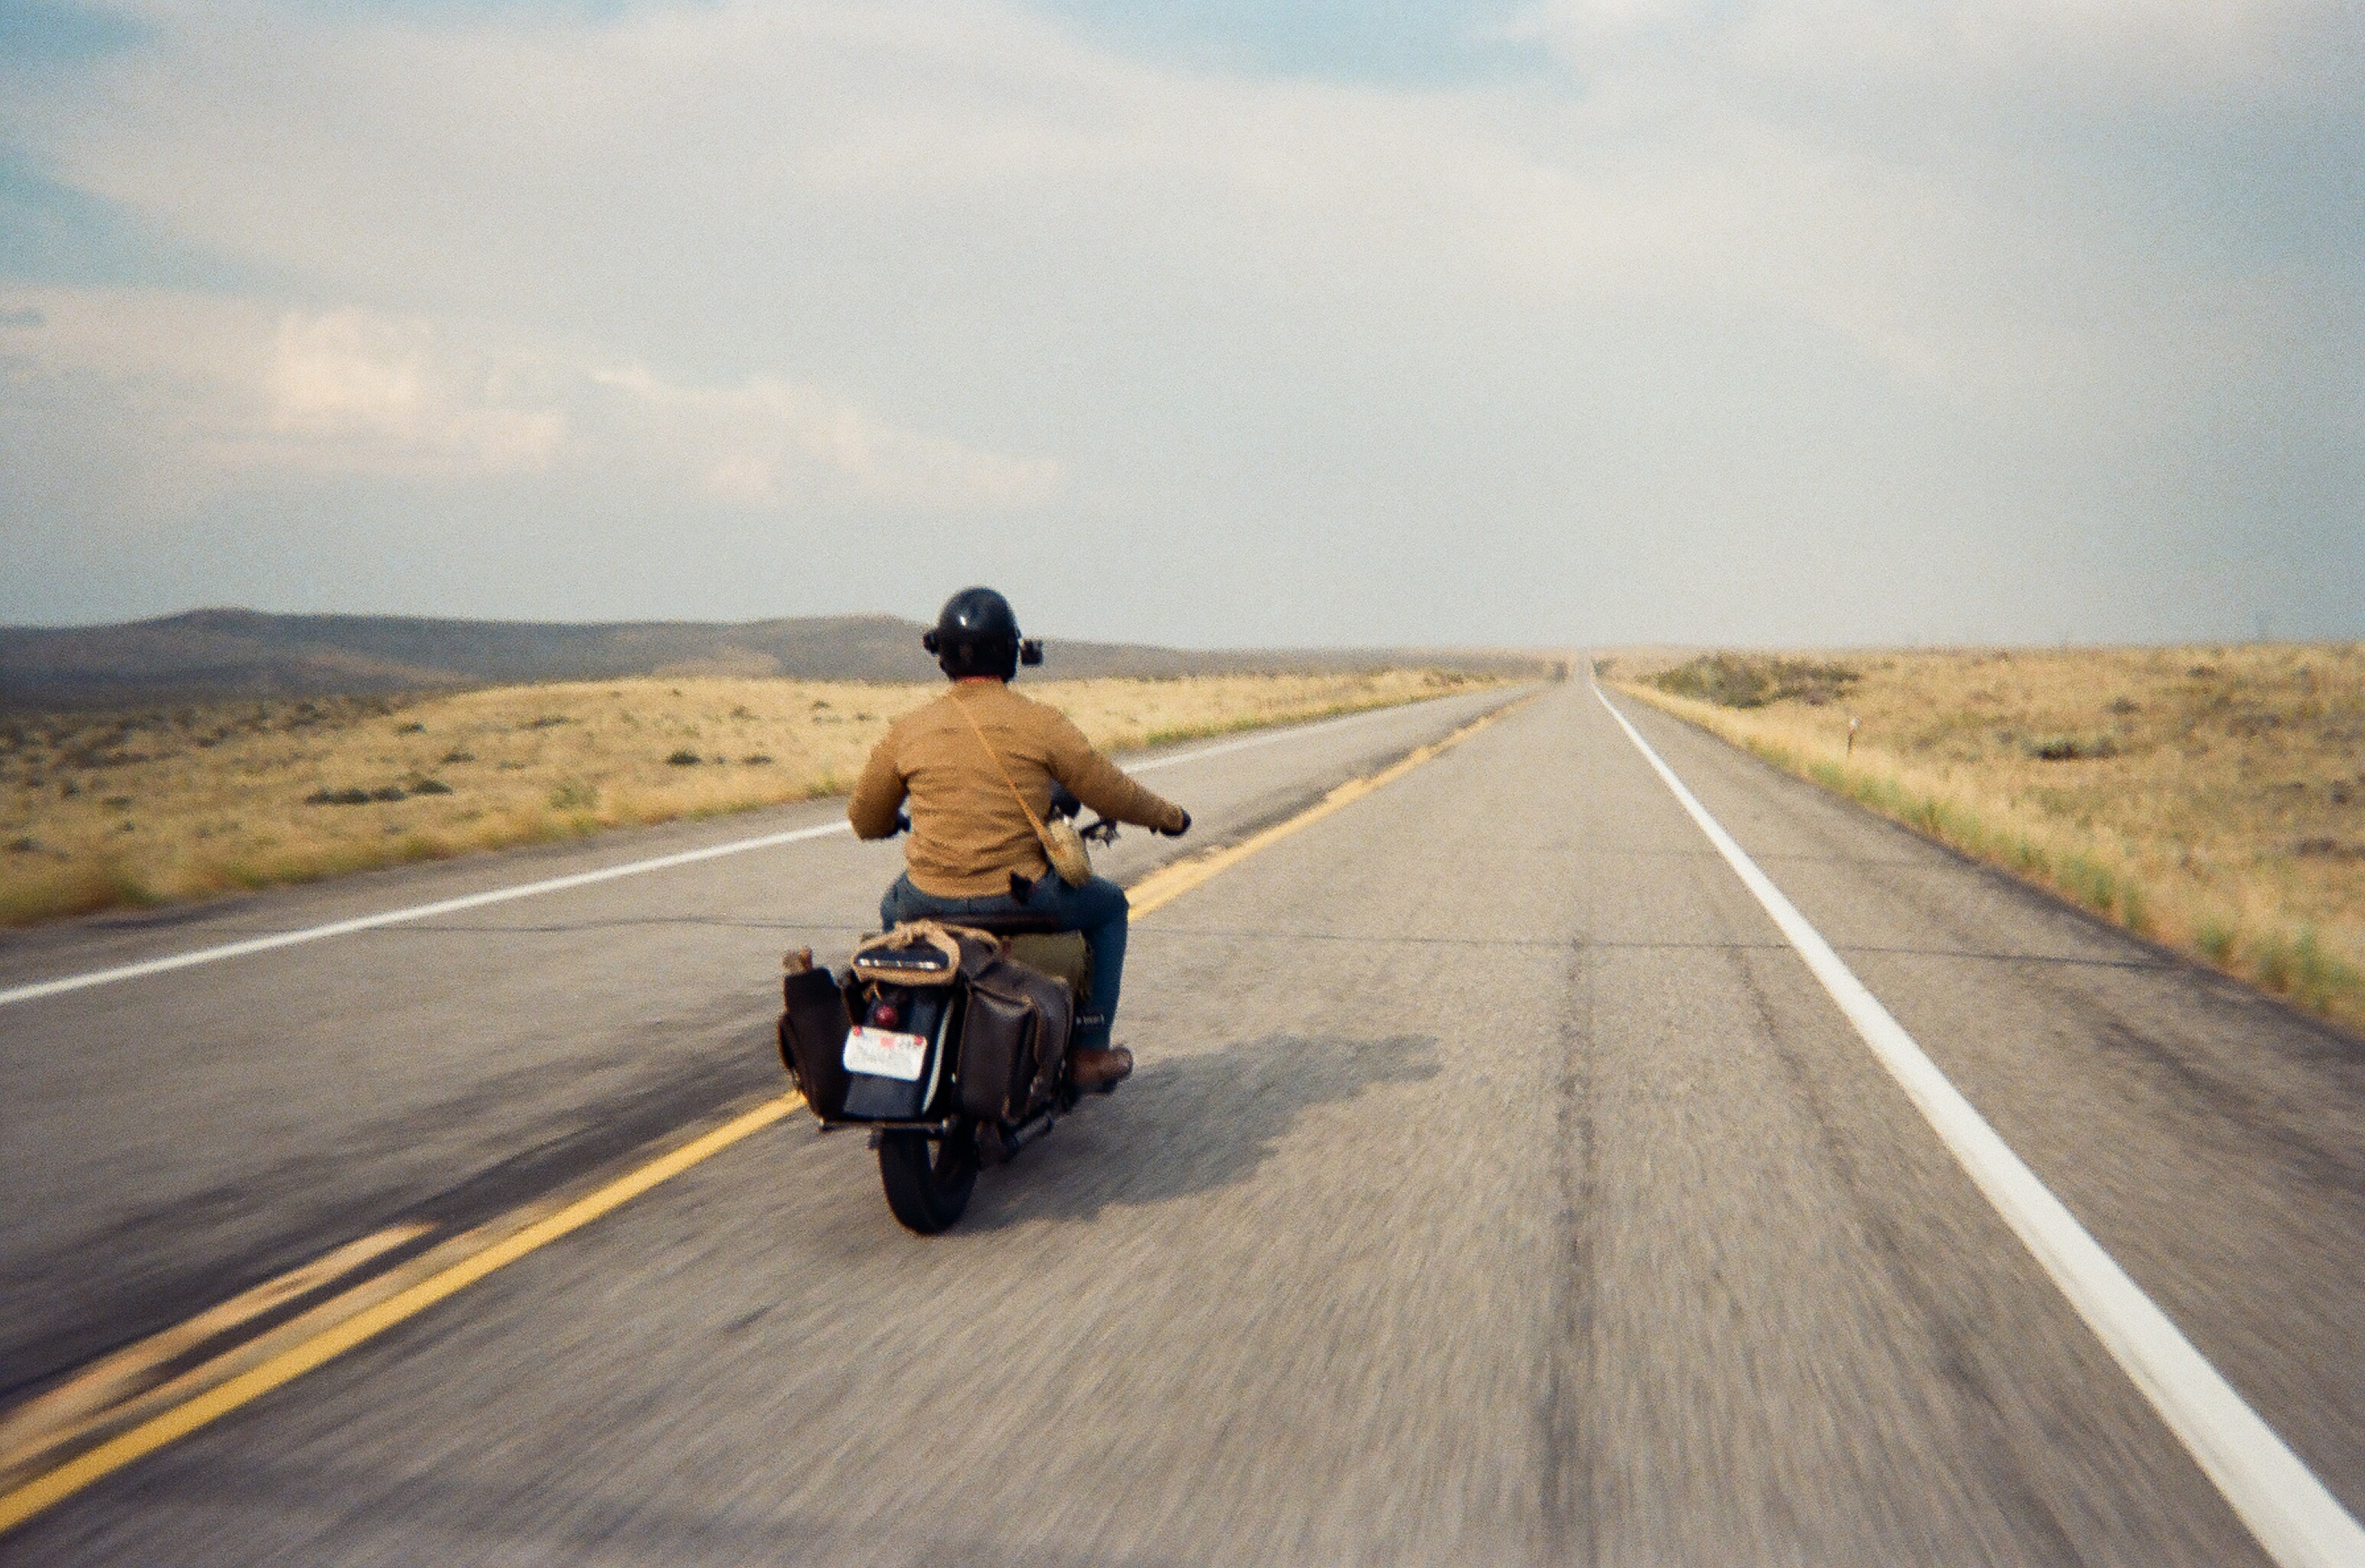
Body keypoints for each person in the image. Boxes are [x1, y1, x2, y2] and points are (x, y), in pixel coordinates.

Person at [848, 588, 1191, 1092]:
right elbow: (1110, 791)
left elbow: (865, 819)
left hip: (926, 898)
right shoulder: (1041, 722)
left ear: (941, 656)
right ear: (1012, 652)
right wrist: (1169, 817)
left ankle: (898, 1007)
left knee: (892, 911)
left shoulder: (910, 728)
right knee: (1111, 906)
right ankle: (1090, 1051)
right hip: (1020, 897)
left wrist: (892, 823)